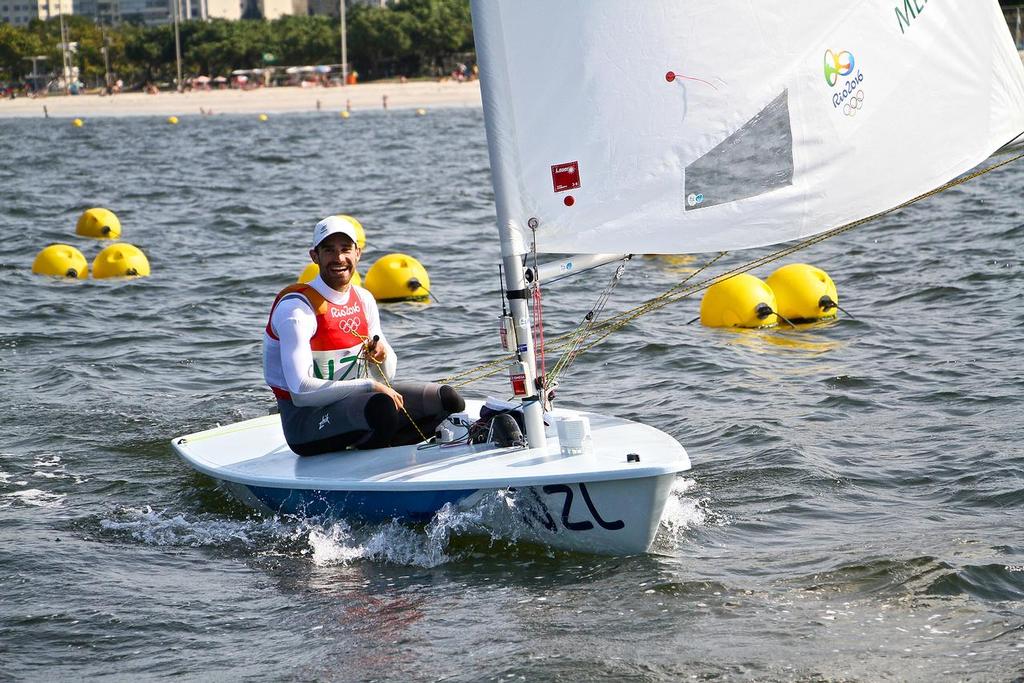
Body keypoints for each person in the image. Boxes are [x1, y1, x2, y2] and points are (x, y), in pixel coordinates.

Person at [263, 216, 464, 456]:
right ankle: (374, 466)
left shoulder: (364, 299)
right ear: (314, 256)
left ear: (358, 253)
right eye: (329, 250)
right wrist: (369, 384)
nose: (339, 259)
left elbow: (387, 375)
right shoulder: (296, 310)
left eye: (345, 249)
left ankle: (398, 452)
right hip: (305, 422)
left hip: (355, 405)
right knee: (382, 408)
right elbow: (301, 392)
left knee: (447, 400)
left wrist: (380, 357)